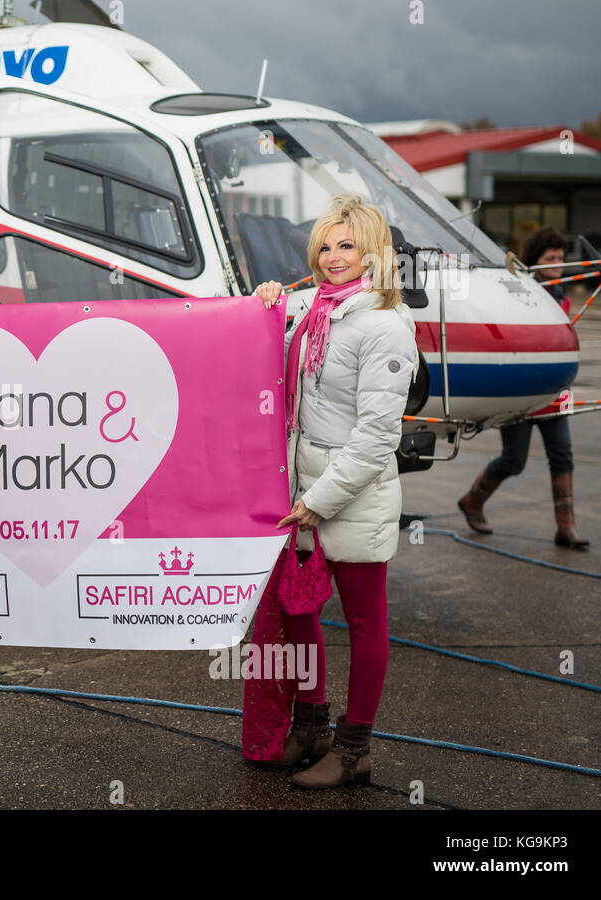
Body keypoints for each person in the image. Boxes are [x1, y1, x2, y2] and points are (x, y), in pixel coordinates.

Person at [250, 193, 417, 789]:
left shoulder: (385, 326)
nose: (332, 256)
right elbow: (253, 323)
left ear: (374, 252)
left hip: (351, 489)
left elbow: (376, 438)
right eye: (324, 245)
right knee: (299, 608)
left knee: (365, 620)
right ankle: (311, 724)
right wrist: (265, 299)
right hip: (300, 484)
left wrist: (319, 501)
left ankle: (354, 749)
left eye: (347, 245)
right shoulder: (313, 308)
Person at [457, 226, 588, 549]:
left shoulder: (562, 296)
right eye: (550, 258)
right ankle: (472, 500)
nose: (557, 263)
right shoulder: (517, 292)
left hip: (552, 388)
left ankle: (566, 527)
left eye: (560, 257)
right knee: (514, 460)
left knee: (563, 456)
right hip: (520, 389)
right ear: (535, 261)